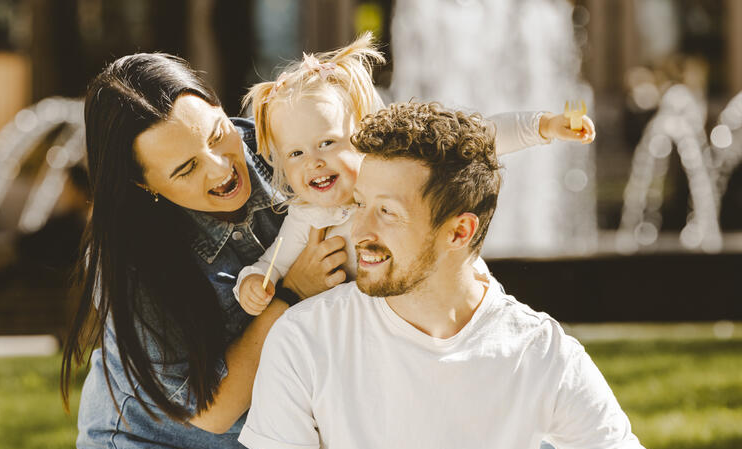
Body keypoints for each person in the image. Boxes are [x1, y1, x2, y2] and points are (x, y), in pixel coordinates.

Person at [60, 53, 584, 449]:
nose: (222, 167)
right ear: (145, 186)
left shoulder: (288, 145)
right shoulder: (129, 263)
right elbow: (213, 413)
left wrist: (539, 127)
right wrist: (291, 294)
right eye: (186, 167)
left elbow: (432, 157)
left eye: (218, 134)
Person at [239, 102, 664, 449]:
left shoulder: (540, 353)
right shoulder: (303, 341)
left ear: (459, 231)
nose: (359, 230)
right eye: (360, 204)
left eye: (387, 212)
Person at [235, 33, 594, 316]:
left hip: (443, 312)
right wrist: (251, 283)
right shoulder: (307, 217)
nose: (312, 161)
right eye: (296, 153)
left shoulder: (397, 169)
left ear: (361, 133)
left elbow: (477, 138)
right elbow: (270, 266)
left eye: (327, 143)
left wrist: (544, 126)